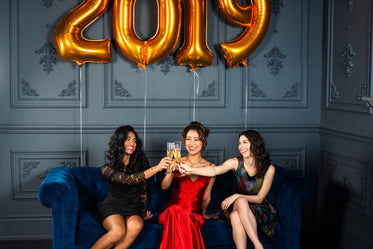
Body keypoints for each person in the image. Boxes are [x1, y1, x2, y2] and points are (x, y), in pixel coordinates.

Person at [180, 130, 278, 249]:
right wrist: (191, 170)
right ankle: (258, 245)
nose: (241, 146)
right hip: (237, 204)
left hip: (259, 209)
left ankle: (255, 245)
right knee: (239, 206)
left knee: (235, 215)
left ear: (255, 144)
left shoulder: (269, 169)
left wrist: (236, 196)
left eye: (245, 142)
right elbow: (214, 170)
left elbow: (259, 198)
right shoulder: (235, 162)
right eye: (239, 143)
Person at [91, 125, 170, 249]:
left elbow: (143, 189)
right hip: (113, 206)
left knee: (137, 225)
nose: (132, 143)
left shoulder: (142, 163)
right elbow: (129, 180)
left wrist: (143, 212)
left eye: (134, 140)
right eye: (128, 139)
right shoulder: (107, 169)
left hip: (133, 207)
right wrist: (157, 168)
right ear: (119, 141)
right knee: (118, 231)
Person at [158, 121, 216, 249]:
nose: (192, 143)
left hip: (194, 213)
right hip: (172, 211)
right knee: (176, 211)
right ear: (184, 141)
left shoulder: (211, 168)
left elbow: (206, 196)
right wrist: (170, 171)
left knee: (182, 215)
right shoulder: (176, 161)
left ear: (203, 142)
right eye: (188, 139)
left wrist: (203, 213)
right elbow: (164, 186)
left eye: (196, 139)